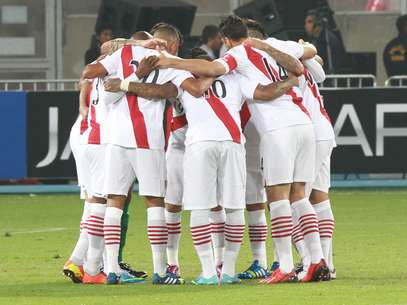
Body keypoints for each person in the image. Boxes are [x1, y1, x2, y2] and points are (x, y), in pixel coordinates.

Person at [156, 15, 329, 284]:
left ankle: (284, 265)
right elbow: (309, 54)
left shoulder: (237, 55)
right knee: (299, 196)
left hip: (277, 129)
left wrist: (172, 62)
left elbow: (220, 73)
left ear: (225, 40)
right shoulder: (276, 44)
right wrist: (288, 79)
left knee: (278, 197)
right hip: (304, 123)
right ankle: (317, 260)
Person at [105, 48, 298, 286]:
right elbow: (265, 92)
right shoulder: (235, 76)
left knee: (199, 209)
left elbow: (168, 91)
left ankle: (207, 271)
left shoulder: (185, 78)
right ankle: (227, 270)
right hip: (233, 142)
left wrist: (131, 79)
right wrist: (290, 80)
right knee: (234, 207)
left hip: (199, 145)